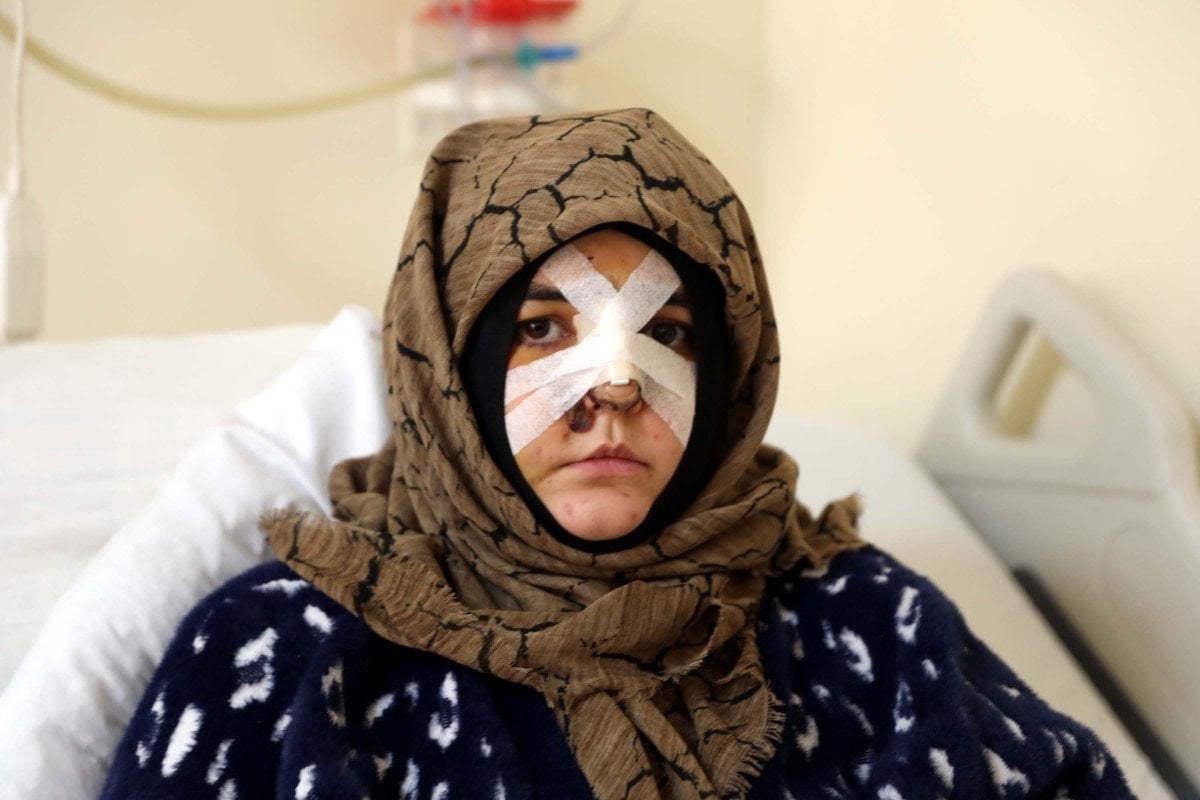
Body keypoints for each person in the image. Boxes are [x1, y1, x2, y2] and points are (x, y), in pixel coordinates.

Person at [100, 108, 1133, 799]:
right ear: (449, 370)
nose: (617, 386)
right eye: (543, 328)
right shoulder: (280, 658)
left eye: (668, 332)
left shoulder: (873, 632)